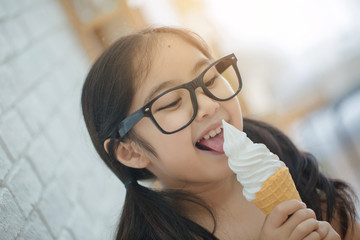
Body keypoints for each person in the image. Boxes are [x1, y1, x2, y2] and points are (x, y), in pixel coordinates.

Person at [81, 27, 359, 240]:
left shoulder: (275, 150)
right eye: (171, 102)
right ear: (131, 151)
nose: (208, 104)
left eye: (210, 77)